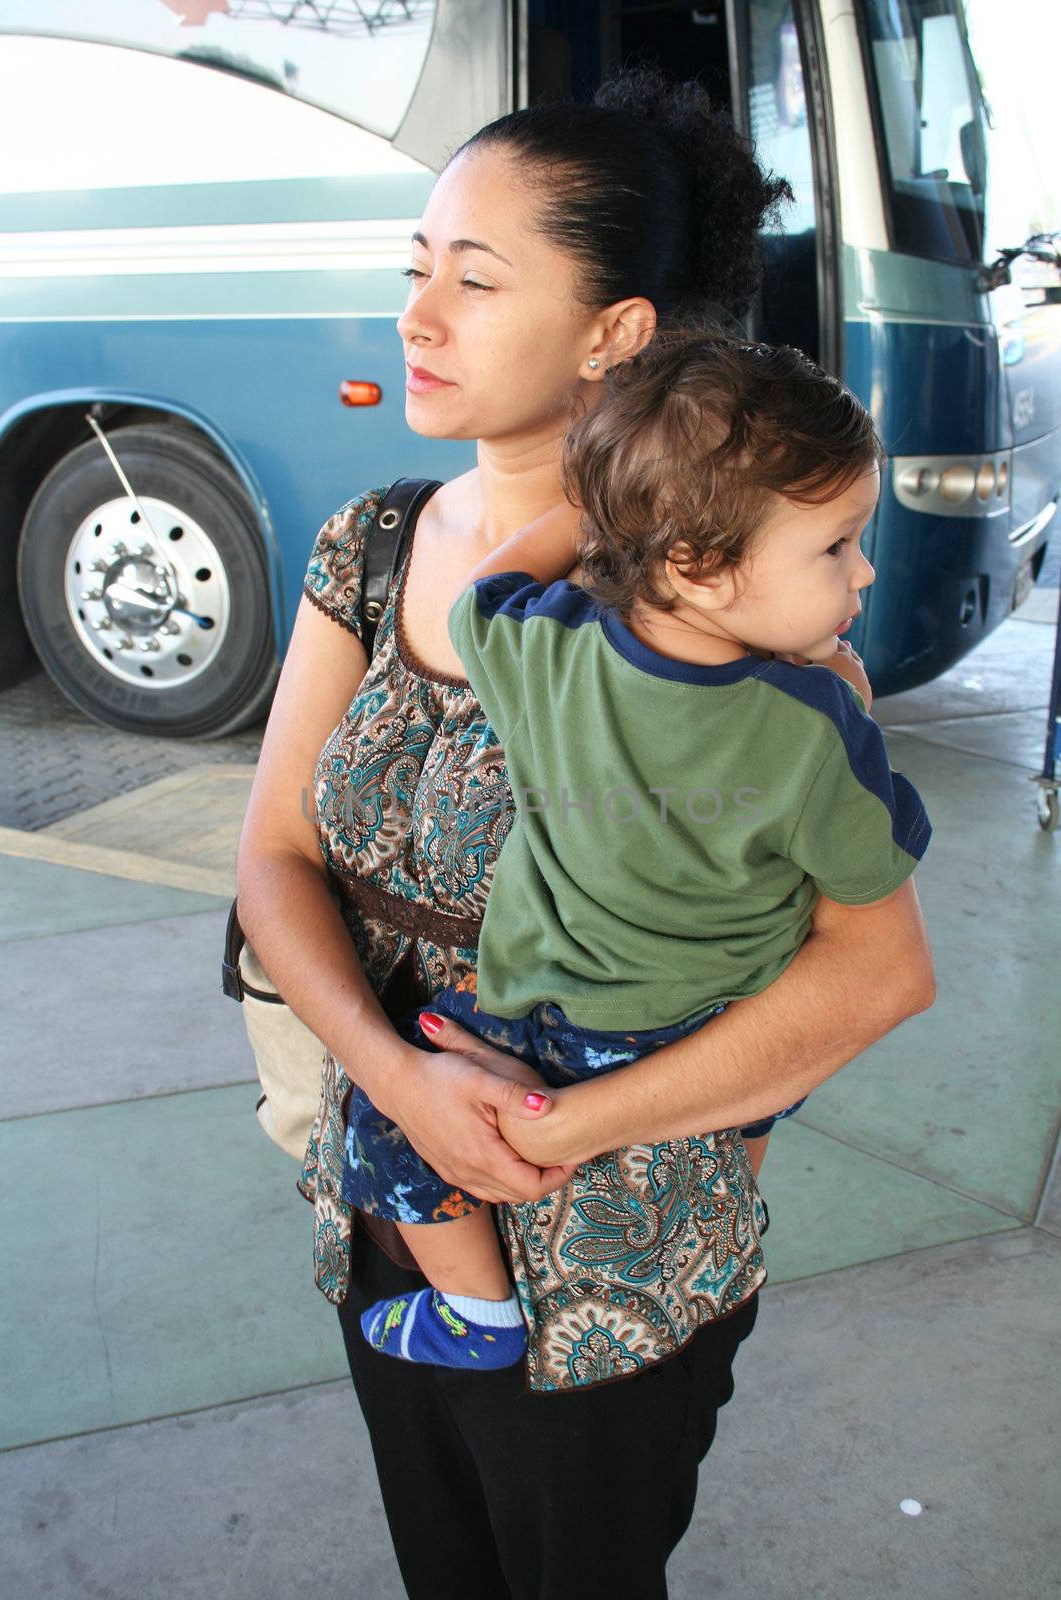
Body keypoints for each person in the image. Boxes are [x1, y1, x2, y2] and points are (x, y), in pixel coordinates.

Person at [236, 68, 935, 1600]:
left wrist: (557, 1132)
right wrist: (400, 1086)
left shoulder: (737, 627)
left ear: (616, 333)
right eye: (413, 272)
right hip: (389, 1197)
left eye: (474, 283)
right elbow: (272, 860)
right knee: (445, 1564)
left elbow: (871, 975)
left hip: (618, 1244)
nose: (418, 317)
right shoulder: (368, 547)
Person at [345, 332, 930, 1370]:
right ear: (700, 566)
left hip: (559, 1027)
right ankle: (730, 1187)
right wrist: (848, 700)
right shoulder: (809, 726)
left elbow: (483, 585)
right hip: (717, 1028)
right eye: (834, 546)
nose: (863, 568)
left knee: (383, 1113)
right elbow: (877, 858)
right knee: (770, 1083)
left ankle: (474, 1309)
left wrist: (612, 505)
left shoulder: (543, 646)